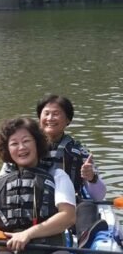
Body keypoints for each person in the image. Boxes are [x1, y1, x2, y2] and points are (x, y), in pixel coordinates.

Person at [0, 117, 76, 254]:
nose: (21, 147)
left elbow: (68, 217)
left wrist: (27, 234)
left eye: (26, 141)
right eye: (14, 143)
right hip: (10, 253)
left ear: (37, 143)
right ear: (7, 149)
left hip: (50, 251)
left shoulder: (57, 176)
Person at [35, 94, 107, 244]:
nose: (50, 118)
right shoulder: (26, 148)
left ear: (67, 120)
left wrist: (91, 177)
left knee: (87, 205)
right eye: (46, 113)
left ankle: (85, 238)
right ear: (39, 118)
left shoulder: (79, 151)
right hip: (37, 201)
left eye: (56, 114)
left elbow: (98, 196)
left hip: (69, 205)